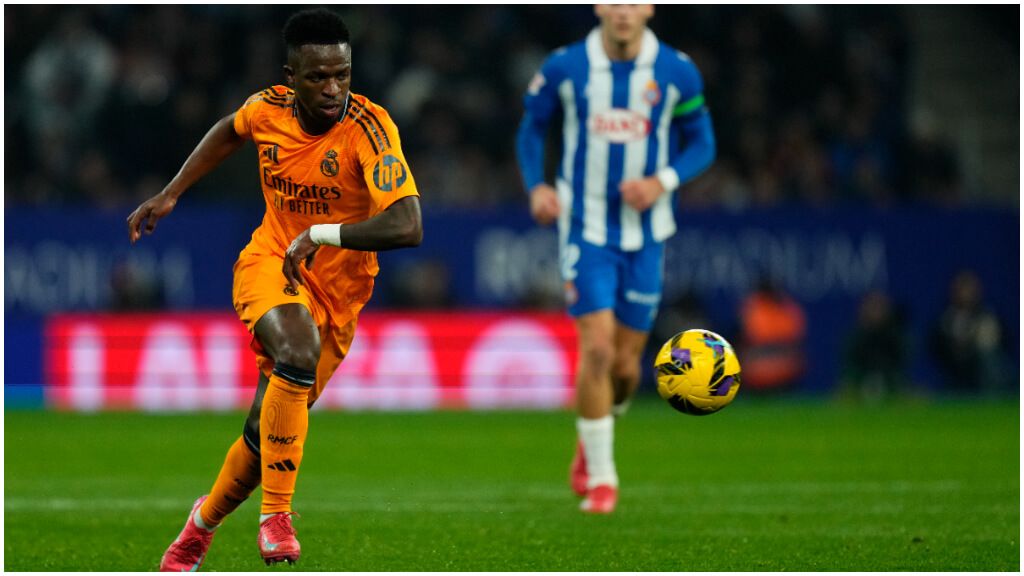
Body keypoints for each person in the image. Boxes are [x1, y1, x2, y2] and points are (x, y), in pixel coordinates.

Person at [127, 9, 422, 570]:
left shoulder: (371, 128)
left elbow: (408, 225)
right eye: (318, 77)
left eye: (342, 74)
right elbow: (229, 130)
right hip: (272, 262)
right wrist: (172, 192)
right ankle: (276, 517)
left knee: (264, 433)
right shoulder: (268, 108)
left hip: (340, 295)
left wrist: (321, 234)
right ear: (292, 78)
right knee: (296, 347)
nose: (332, 88)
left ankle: (199, 526)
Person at [515, 5, 715, 514]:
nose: (623, 11)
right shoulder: (565, 66)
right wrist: (537, 186)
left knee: (626, 367)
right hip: (586, 229)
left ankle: (593, 436)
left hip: (647, 234)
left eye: (634, 2)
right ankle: (604, 480)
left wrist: (661, 182)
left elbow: (703, 143)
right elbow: (532, 129)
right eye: (614, 1)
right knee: (599, 349)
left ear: (649, 9)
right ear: (599, 7)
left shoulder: (676, 70)